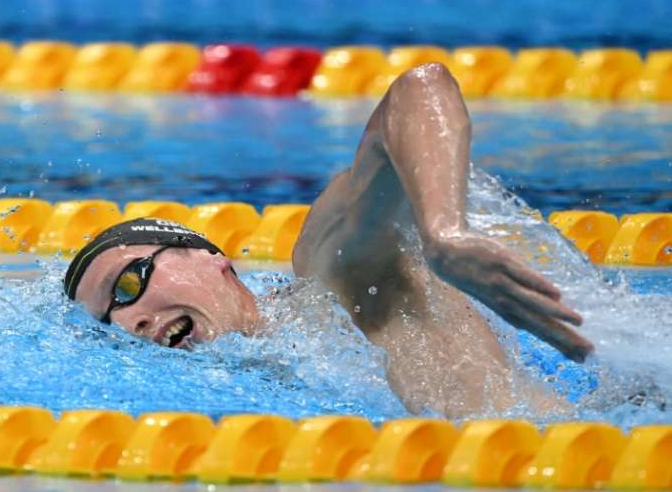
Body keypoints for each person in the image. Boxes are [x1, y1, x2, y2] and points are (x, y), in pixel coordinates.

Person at [63, 63, 594, 417]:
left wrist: (443, 231)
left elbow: (419, 88)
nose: (128, 321)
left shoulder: (337, 277)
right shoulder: (248, 391)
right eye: (108, 321)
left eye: (128, 283)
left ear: (211, 259)